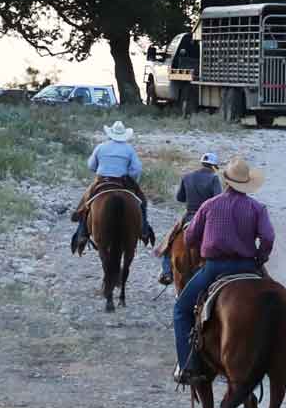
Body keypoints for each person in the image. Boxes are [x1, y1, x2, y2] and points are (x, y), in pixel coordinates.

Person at [170, 157, 274, 385]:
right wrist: (260, 258)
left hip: (214, 268)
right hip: (248, 266)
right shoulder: (257, 208)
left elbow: (189, 237)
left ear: (225, 182)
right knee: (277, 300)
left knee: (181, 309)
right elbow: (268, 237)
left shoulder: (209, 205)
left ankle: (188, 366)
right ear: (246, 183)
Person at [71, 120, 155, 251]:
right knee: (142, 201)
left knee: (85, 202)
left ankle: (82, 233)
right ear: (124, 135)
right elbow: (137, 169)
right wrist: (131, 178)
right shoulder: (129, 149)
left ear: (110, 134)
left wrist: (101, 169)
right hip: (123, 181)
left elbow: (91, 165)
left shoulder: (101, 147)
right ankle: (144, 229)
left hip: (101, 180)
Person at [156, 153, 224, 285]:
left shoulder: (187, 176)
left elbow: (179, 198)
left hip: (189, 215)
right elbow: (218, 200)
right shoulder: (214, 178)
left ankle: (167, 271)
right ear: (214, 166)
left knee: (169, 241)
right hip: (207, 218)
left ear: (202, 163)